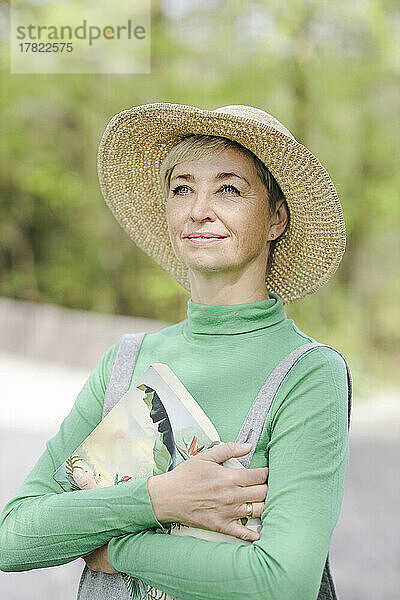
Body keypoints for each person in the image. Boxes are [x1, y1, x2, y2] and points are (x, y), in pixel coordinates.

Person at [0, 103, 351, 600]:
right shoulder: (126, 361)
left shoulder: (307, 372)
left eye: (228, 189)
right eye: (182, 188)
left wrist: (117, 549)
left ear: (276, 218)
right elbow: (11, 536)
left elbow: (283, 581)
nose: (197, 208)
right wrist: (159, 500)